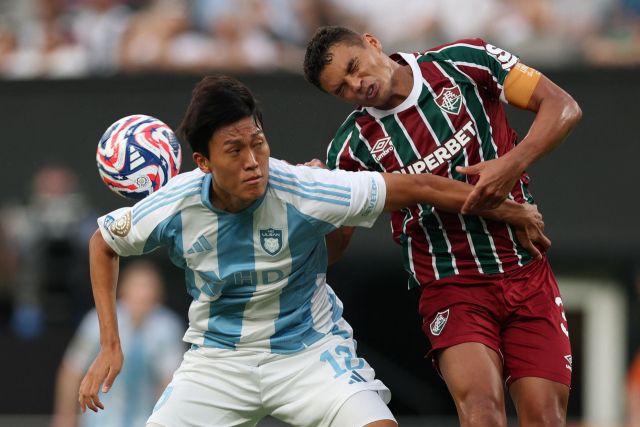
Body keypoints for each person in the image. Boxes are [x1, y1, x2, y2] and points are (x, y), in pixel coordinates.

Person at [78, 74, 548, 427]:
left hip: (309, 354)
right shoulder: (172, 205)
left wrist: (510, 210)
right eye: (235, 150)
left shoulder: (306, 187)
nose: (253, 162)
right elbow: (103, 243)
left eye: (258, 143)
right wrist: (111, 345)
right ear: (202, 161)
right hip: (218, 362)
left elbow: (422, 186)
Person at [302, 26, 582, 427]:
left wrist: (511, 164)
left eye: (353, 66)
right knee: (482, 412)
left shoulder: (465, 60)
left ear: (372, 43)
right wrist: (320, 201)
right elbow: (334, 249)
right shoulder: (352, 148)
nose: (356, 84)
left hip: (525, 270)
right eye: (341, 88)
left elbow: (562, 105)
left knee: (546, 418)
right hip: (451, 284)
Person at [52, 260, 184, 427]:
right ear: (122, 289)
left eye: (149, 286)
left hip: (145, 420)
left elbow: (169, 382)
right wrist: (65, 418)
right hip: (99, 420)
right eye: (138, 286)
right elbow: (72, 370)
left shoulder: (168, 327)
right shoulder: (98, 321)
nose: (143, 293)